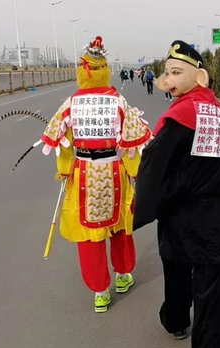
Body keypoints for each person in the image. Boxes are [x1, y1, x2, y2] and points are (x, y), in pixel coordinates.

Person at [133, 40, 220, 348]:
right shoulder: (219, 115)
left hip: (180, 212)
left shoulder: (179, 117)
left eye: (177, 72)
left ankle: (177, 322)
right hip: (215, 211)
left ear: (197, 76)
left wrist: (143, 205)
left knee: (175, 267)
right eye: (168, 73)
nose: (170, 79)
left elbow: (155, 164)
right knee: (215, 282)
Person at [41, 37, 152, 313]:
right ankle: (123, 275)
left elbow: (64, 143)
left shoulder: (71, 103)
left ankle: (100, 292)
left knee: (89, 234)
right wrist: (135, 173)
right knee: (120, 226)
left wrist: (64, 171)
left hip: (84, 175)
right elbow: (131, 145)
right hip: (114, 171)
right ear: (105, 70)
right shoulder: (118, 101)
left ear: (83, 71)